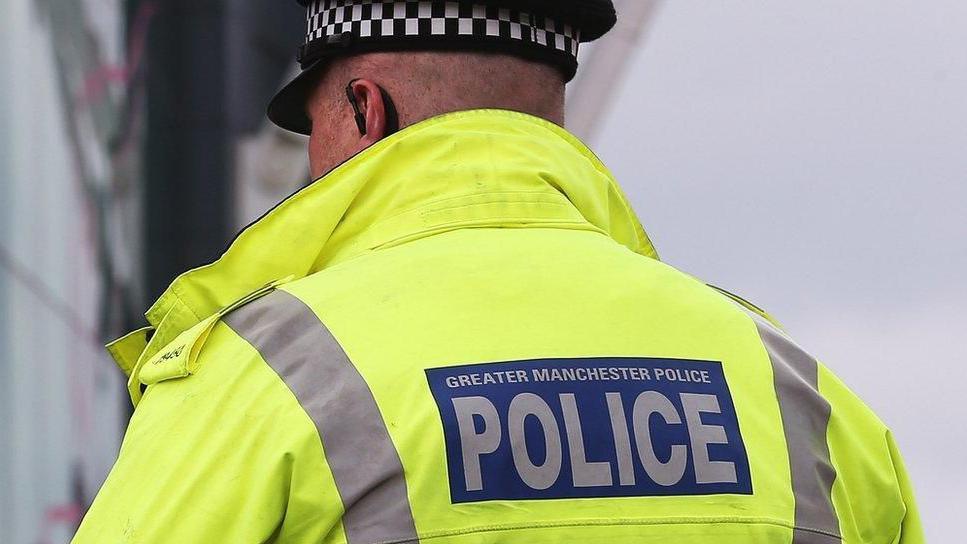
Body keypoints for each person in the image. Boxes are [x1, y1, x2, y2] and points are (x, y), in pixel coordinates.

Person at [74, 1, 924, 542]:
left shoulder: (261, 380)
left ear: (366, 108)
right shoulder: (793, 390)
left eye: (317, 127)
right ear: (551, 112)